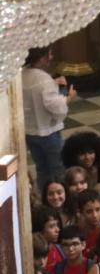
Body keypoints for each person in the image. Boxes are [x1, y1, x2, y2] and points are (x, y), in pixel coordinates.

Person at [21, 45, 74, 191]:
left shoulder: (22, 74)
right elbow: (54, 105)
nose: (51, 58)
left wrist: (53, 84)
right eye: (49, 54)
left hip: (30, 132)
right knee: (57, 169)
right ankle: (60, 198)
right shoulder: (43, 79)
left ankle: (45, 196)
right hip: (48, 132)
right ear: (42, 57)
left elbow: (33, 94)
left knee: (42, 168)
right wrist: (68, 98)